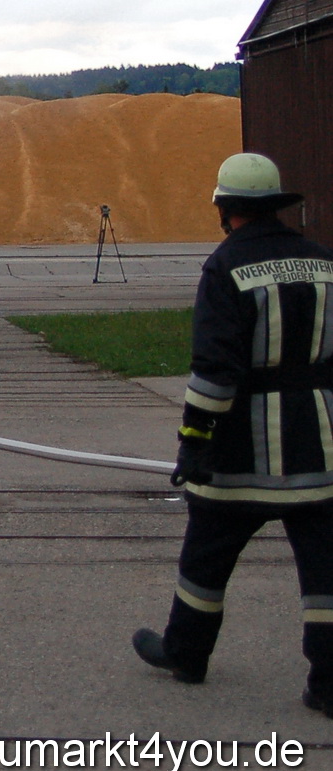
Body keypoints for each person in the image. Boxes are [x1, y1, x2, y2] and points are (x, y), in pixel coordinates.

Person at [133, 152, 333, 717]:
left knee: (206, 558)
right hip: (318, 446)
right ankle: (328, 684)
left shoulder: (226, 268)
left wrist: (194, 440)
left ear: (225, 208)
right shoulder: (324, 263)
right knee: (326, 573)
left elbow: (215, 370)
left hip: (241, 447)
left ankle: (186, 653)